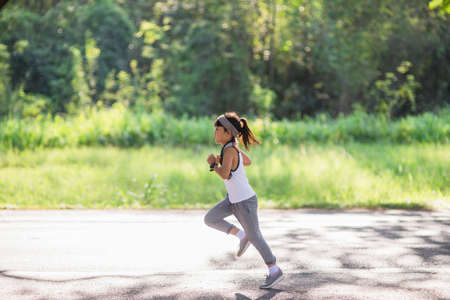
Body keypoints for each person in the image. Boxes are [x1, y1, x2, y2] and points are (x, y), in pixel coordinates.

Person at [204, 112, 284, 289]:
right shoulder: (230, 148)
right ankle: (241, 235)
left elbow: (225, 174)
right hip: (233, 200)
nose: (214, 133)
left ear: (227, 133)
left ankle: (274, 270)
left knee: (256, 237)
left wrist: (213, 164)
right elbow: (246, 161)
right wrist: (225, 160)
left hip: (245, 201)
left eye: (217, 130)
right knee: (210, 218)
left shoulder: (230, 149)